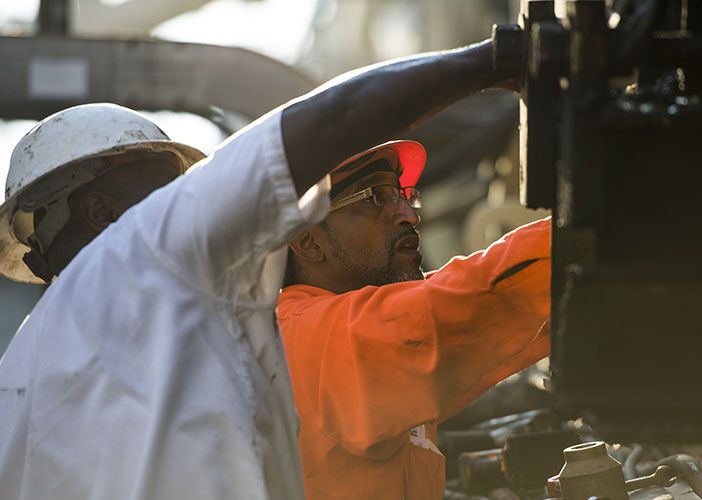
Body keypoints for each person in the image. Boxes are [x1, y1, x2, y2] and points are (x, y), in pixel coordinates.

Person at [0, 35, 521, 500]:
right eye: (169, 187)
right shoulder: (142, 254)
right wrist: (498, 59)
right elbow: (331, 120)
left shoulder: (26, 372)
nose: (184, 200)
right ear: (102, 212)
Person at [278, 141, 550, 499]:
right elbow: (467, 301)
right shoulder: (316, 336)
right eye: (375, 198)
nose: (409, 213)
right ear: (308, 242)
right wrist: (595, 236)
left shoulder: (315, 329)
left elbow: (478, 318)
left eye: (403, 195)